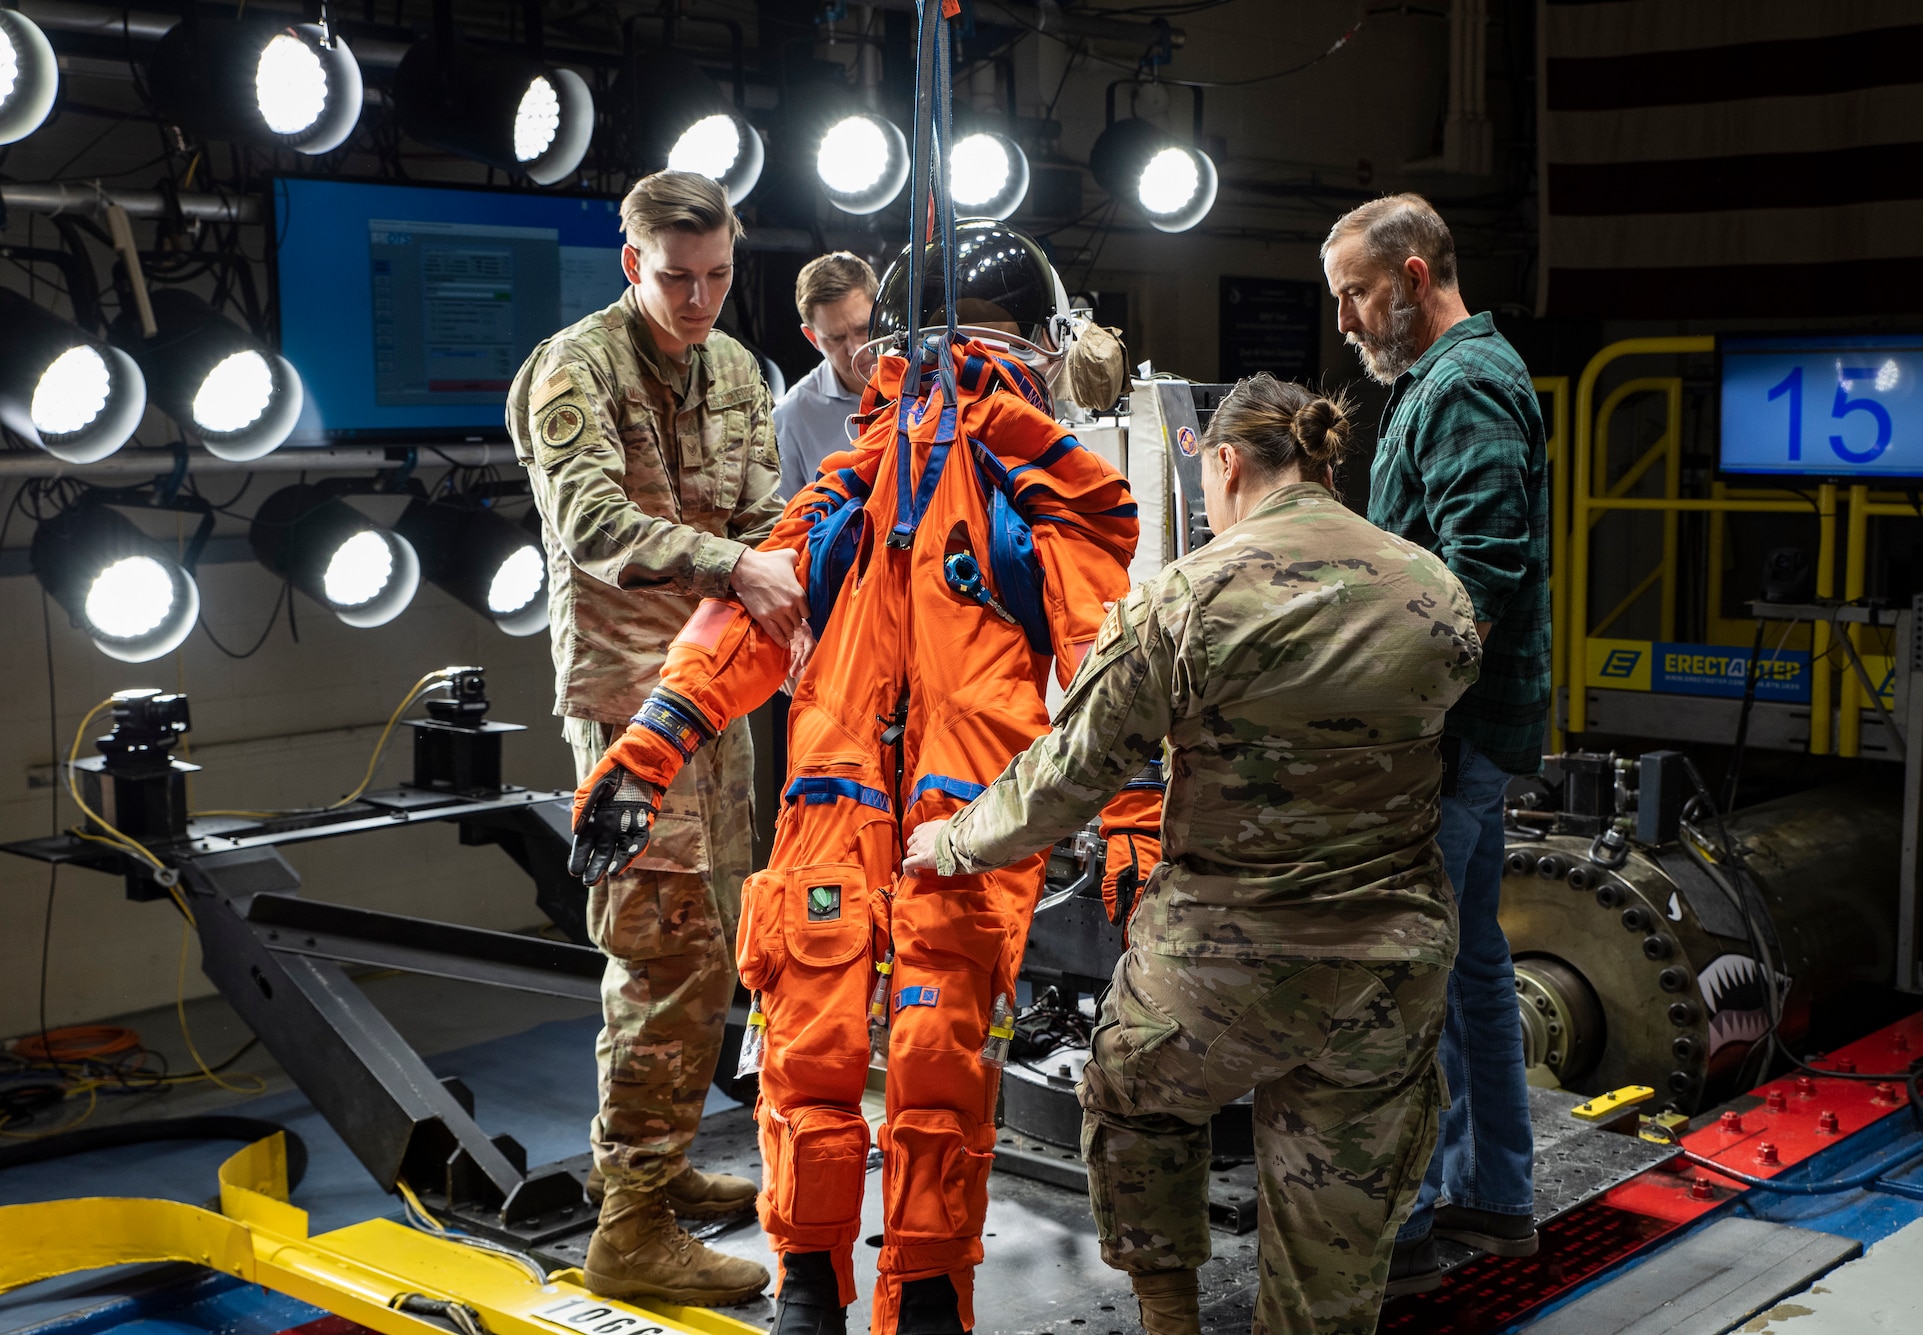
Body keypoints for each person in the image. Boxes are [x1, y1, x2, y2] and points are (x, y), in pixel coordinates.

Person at [566, 221, 1148, 1335]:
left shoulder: (956, 486)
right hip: (911, 815)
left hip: (915, 817)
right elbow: (1100, 660)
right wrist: (1131, 813)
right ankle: (861, 1289)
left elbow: (1097, 649)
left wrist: (647, 750)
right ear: (1039, 336)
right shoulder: (927, 484)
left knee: (870, 1054)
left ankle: (870, 1288)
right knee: (870, 1053)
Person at [905, 373, 1484, 1335]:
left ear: (1222, 464)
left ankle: (1172, 1318)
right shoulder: (1433, 588)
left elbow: (1067, 777)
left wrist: (953, 840)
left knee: (1132, 1097)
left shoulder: (1188, 594)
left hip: (1219, 969)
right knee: (1335, 1243)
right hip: (1388, 977)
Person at [506, 169, 807, 1307]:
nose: (698, 301)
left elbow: (759, 514)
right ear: (632, 263)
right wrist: (734, 564)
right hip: (630, 705)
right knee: (658, 948)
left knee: (712, 939)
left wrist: (781, 570)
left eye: (718, 277)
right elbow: (586, 525)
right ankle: (629, 1225)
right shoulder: (573, 368)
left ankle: (664, 1169)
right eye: (676, 279)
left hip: (720, 695)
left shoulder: (734, 367)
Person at [1320, 193, 1553, 1292]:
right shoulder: (1440, 380)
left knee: (1404, 977)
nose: (1347, 322)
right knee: (1468, 969)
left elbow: (1481, 578)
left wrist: (1396, 713)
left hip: (1450, 737)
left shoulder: (1462, 386)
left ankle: (1407, 1223)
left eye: (1357, 295)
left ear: (1413, 277)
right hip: (1467, 730)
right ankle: (1493, 1198)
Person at [774, 251, 880, 499]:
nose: (855, 349)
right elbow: (782, 521)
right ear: (813, 339)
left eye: (862, 329)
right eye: (836, 338)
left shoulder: (930, 381)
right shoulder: (790, 417)